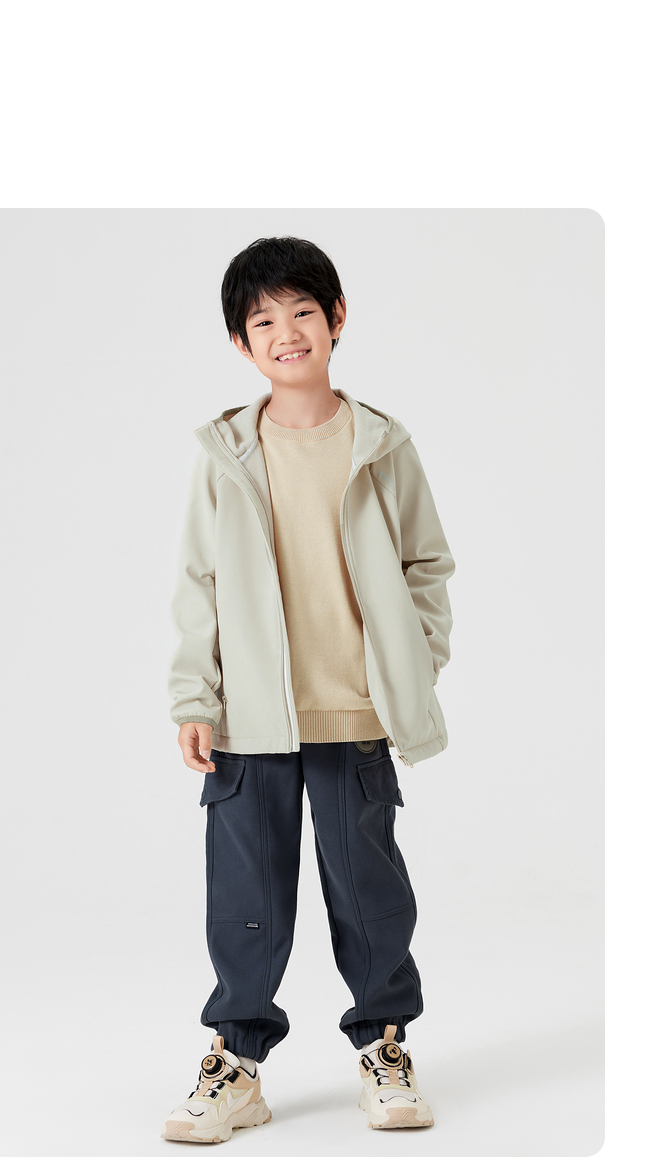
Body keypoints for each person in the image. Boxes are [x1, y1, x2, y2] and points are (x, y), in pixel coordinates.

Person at [163, 236, 455, 1142]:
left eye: (302, 312)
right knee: (246, 895)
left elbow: (427, 565)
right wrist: (194, 698)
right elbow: (200, 581)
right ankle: (236, 1064)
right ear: (241, 342)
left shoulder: (382, 443)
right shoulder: (225, 452)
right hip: (249, 720)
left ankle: (385, 1047)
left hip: (353, 711)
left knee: (369, 890)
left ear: (335, 319)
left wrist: (412, 665)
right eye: (263, 321)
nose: (286, 332)